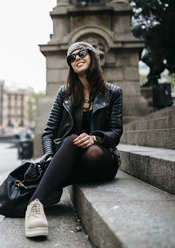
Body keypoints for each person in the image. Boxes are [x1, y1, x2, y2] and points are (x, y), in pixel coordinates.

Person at [24, 42, 123, 238]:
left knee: (89, 149)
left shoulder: (113, 93)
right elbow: (48, 133)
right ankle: (35, 206)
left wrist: (95, 138)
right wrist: (51, 157)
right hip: (71, 158)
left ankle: (38, 197)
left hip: (102, 159)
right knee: (71, 140)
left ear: (92, 57)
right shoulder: (65, 93)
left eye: (82, 53)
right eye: (72, 57)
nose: (77, 58)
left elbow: (115, 133)